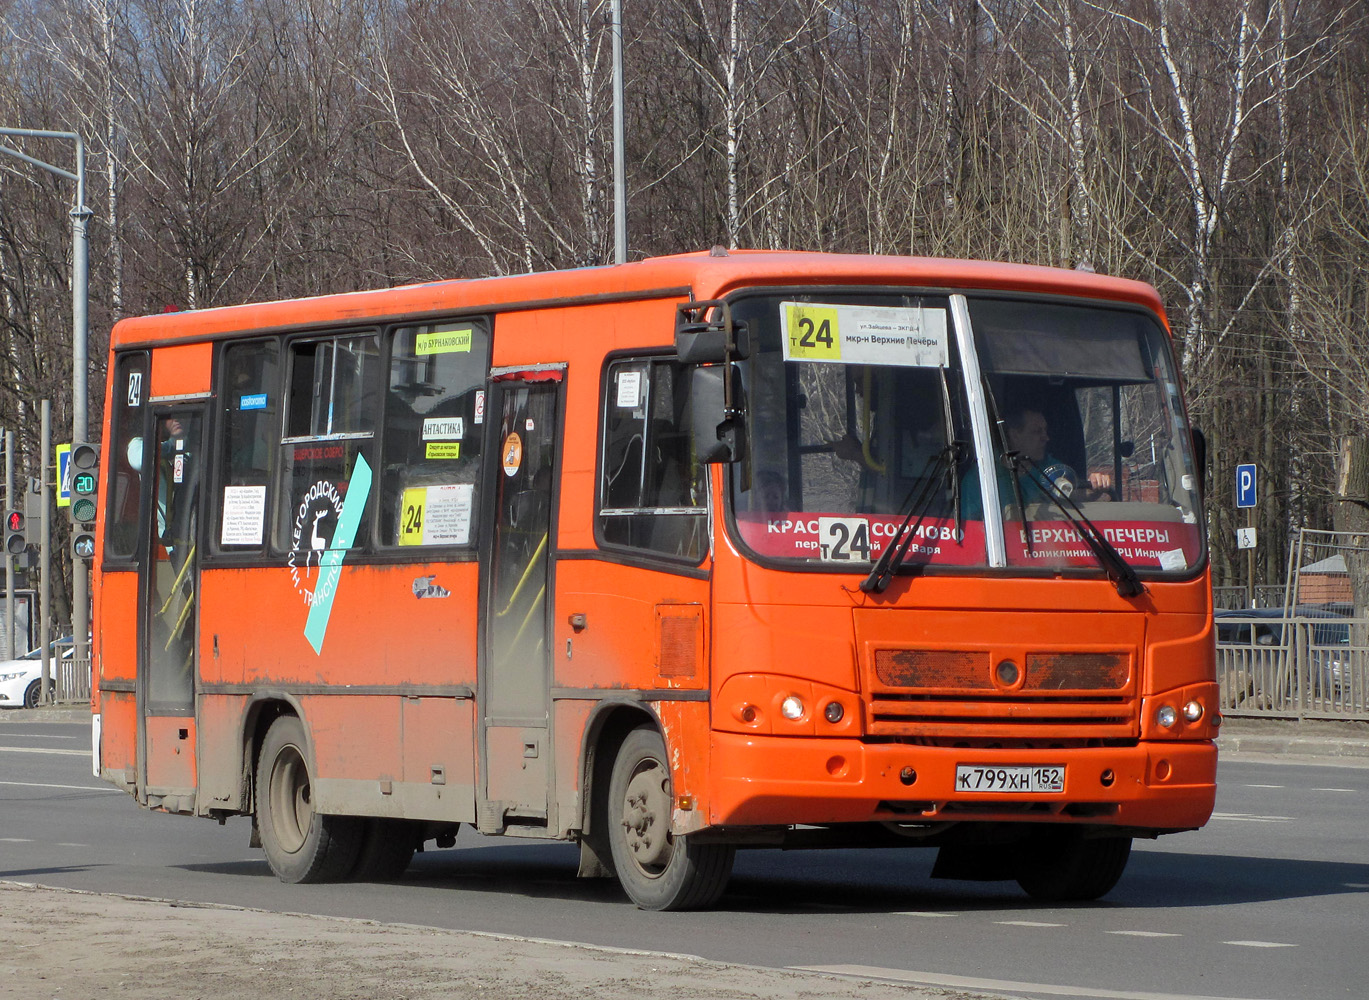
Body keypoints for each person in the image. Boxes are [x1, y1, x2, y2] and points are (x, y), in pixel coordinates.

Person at [961, 407, 1110, 518]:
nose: (1046, 438)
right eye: (1037, 432)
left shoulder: (1051, 468)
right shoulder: (983, 475)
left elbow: (1073, 495)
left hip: (1047, 551)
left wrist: (1092, 490)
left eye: (1045, 431)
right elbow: (973, 527)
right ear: (1014, 435)